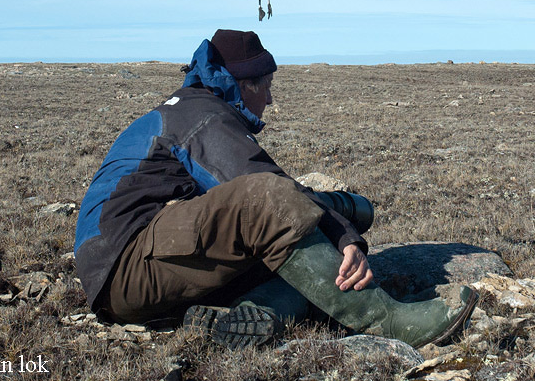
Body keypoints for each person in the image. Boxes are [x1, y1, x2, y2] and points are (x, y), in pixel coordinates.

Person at [74, 29, 478, 350]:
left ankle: (251, 313)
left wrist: (338, 223)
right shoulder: (201, 116)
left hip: (139, 271)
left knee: (299, 264)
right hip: (124, 268)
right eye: (265, 85)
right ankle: (386, 319)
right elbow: (265, 193)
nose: (269, 98)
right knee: (267, 200)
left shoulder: (195, 108)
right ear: (242, 84)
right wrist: (345, 228)